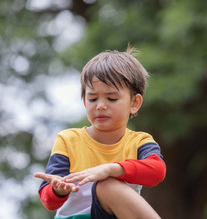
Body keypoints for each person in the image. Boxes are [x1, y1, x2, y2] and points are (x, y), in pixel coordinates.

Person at [34, 46, 166, 219]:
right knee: (107, 186)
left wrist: (111, 169)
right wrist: (58, 190)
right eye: (93, 98)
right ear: (84, 101)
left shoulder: (140, 141)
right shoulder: (68, 140)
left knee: (107, 185)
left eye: (111, 98)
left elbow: (157, 171)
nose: (100, 105)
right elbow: (48, 201)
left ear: (134, 103)